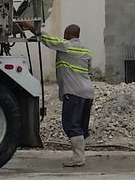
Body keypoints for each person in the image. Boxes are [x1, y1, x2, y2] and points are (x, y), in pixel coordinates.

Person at [31, 23, 95, 167]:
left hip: (73, 92)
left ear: (67, 34)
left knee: (71, 124)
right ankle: (80, 155)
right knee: (81, 125)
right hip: (88, 92)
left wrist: (30, 26)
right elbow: (90, 73)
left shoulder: (66, 46)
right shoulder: (86, 51)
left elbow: (48, 39)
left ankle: (78, 157)